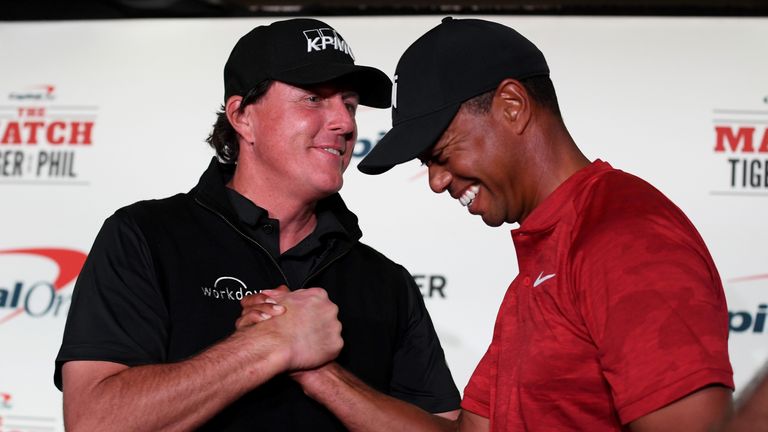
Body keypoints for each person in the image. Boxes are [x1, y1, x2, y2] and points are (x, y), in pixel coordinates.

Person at [272, 17, 734, 431]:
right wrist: (318, 374)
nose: (436, 181)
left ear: (512, 106)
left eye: (440, 152)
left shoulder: (624, 236)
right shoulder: (548, 254)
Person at [54, 18, 460, 431]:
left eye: (350, 104)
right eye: (314, 99)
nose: (345, 123)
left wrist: (323, 376)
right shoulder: (145, 236)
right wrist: (269, 345)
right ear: (242, 117)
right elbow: (95, 421)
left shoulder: (386, 282)